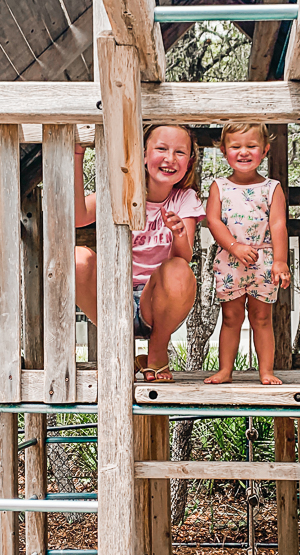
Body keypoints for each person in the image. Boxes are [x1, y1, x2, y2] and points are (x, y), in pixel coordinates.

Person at [74, 124, 204, 382]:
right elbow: (79, 217)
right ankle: (116, 351)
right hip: (112, 300)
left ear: (189, 162)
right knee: (78, 259)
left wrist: (179, 234)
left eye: (180, 152)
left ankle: (156, 353)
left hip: (158, 304)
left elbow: (184, 257)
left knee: (179, 269)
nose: (170, 158)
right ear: (143, 154)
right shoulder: (122, 191)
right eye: (161, 149)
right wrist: (78, 157)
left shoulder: (184, 198)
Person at [204, 122, 291, 386]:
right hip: (230, 260)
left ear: (264, 151)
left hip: (263, 262)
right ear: (223, 150)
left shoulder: (272, 188)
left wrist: (280, 261)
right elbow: (213, 221)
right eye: (236, 147)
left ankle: (266, 371)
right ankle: (225, 371)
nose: (244, 152)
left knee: (262, 318)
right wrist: (235, 246)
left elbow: (278, 224)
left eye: (251, 146)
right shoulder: (219, 186)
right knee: (231, 318)